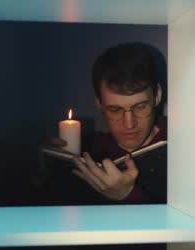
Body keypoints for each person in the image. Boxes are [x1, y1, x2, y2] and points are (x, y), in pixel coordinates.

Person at [38, 42, 167, 205]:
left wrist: (127, 195)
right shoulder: (88, 148)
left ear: (157, 96)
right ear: (99, 104)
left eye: (140, 107)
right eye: (115, 109)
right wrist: (43, 171)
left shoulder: (183, 148)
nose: (129, 124)